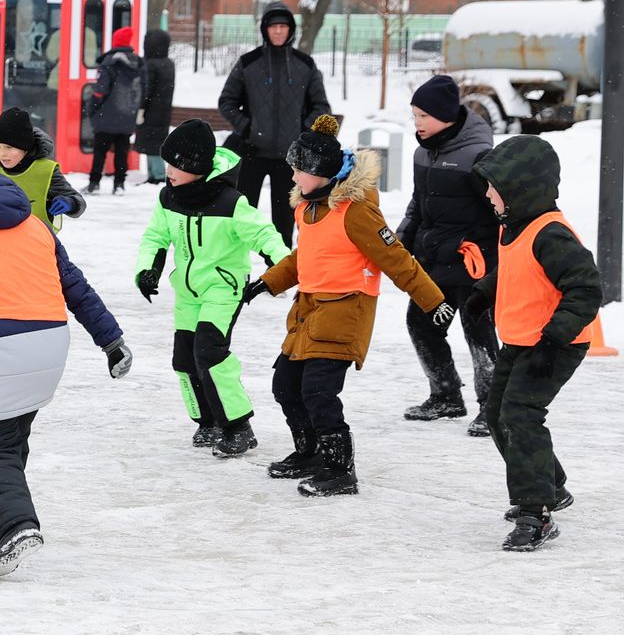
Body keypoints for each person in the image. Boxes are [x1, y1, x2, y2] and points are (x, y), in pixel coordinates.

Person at [0, 134, 132, 578]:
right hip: (50, 345)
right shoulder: (37, 228)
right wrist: (111, 339)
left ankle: (18, 527)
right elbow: (75, 287)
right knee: (12, 434)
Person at [247, 115, 450, 496]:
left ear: (321, 173)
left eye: (297, 171)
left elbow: (397, 258)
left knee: (319, 392)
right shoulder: (307, 208)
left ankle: (340, 470)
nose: (292, 178)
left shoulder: (356, 212)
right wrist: (267, 281)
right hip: (308, 312)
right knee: (285, 386)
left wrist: (432, 300)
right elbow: (302, 257)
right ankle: (309, 454)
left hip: (346, 310)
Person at [470, 135, 602, 551]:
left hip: (555, 343)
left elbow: (585, 289)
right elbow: (519, 271)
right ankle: (551, 486)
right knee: (496, 413)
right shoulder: (516, 227)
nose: (488, 194)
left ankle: (535, 511)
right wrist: (484, 292)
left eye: (495, 187)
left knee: (520, 413)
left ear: (521, 188)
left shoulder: (552, 233)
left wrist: (553, 340)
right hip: (522, 339)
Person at [134, 119, 290, 456]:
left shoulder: (231, 202)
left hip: (223, 288)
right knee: (184, 359)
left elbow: (264, 234)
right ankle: (207, 421)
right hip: (188, 292)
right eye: (167, 163)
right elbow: (156, 237)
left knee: (210, 351)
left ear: (196, 168)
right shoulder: (168, 198)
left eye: (176, 165)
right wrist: (147, 270)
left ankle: (238, 426)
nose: (168, 170)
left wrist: (284, 265)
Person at [395, 74, 500, 436]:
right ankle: (445, 395)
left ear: (445, 116)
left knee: (479, 334)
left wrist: (497, 262)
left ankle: (493, 407)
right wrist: (401, 240)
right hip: (435, 260)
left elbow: (500, 211)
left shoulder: (479, 154)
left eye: (423, 116)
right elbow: (417, 204)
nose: (418, 124)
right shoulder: (422, 152)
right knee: (420, 323)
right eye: (414, 116)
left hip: (474, 264)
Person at [218, 3, 332, 246]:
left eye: (283, 26)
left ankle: (278, 275)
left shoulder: (305, 65)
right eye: (273, 27)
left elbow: (321, 107)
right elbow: (227, 101)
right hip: (252, 153)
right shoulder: (249, 63)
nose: (278, 32)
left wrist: (302, 132)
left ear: (291, 30)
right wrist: (247, 128)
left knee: (285, 223)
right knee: (242, 218)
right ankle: (239, 274)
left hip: (289, 160)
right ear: (265, 30)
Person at [0, 106, 83, 230]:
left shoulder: (46, 170)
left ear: (25, 147)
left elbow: (78, 201)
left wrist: (71, 203)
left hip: (38, 244)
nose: (2, 154)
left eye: (9, 147)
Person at [86, 25, 145, 194]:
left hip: (106, 115)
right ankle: (119, 184)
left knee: (100, 151)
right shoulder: (138, 63)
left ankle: (94, 183)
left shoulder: (109, 62)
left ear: (115, 42)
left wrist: (92, 108)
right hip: (128, 114)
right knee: (122, 151)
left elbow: (100, 90)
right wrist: (138, 110)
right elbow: (144, 88)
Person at [135, 28, 177, 183]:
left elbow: (147, 90)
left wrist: (141, 108)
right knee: (156, 143)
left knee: (150, 144)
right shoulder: (169, 63)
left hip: (150, 111)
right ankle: (155, 174)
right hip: (163, 111)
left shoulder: (151, 65)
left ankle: (156, 175)